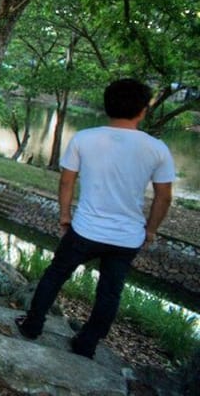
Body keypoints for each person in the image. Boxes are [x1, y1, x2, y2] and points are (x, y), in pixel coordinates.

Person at [15, 78, 175, 359]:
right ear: (142, 110)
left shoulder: (85, 138)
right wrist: (150, 230)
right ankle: (86, 343)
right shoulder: (157, 148)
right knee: (110, 292)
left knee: (55, 276)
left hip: (85, 229)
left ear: (107, 106)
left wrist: (65, 215)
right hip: (127, 237)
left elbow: (67, 182)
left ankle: (32, 326)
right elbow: (164, 197)